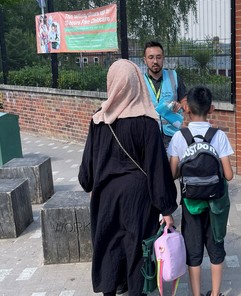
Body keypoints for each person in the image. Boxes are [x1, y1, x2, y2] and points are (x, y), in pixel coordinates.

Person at [78, 59, 178, 296]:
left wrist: (89, 182)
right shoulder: (147, 122)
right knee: (138, 247)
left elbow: (86, 173)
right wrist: (166, 209)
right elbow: (156, 168)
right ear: (136, 84)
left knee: (108, 243)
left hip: (106, 196)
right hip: (139, 198)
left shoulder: (99, 121)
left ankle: (111, 289)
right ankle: (136, 291)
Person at [167, 86, 234, 296]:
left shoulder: (180, 137)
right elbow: (229, 175)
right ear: (211, 109)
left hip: (190, 204)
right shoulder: (219, 135)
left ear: (186, 109)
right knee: (216, 249)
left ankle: (196, 294)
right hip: (216, 205)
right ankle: (215, 293)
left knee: (193, 252)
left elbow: (172, 174)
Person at [143, 41, 187, 147]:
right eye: (151, 57)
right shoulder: (140, 81)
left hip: (173, 135)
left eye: (158, 57)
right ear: (145, 60)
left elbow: (185, 101)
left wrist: (181, 106)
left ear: (163, 58)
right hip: (149, 135)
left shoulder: (174, 76)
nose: (155, 61)